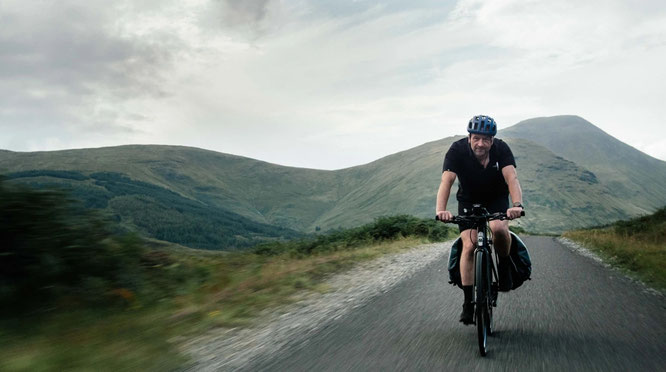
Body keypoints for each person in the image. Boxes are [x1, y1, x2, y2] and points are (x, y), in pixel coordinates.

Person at [435, 115, 524, 325]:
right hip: (468, 200)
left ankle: (503, 266)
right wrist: (441, 210)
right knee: (469, 244)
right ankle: (468, 303)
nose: (481, 144)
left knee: (499, 228)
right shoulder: (456, 150)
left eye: (486, 139)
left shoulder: (501, 149)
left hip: (496, 198)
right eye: (476, 138)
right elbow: (446, 181)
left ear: (492, 140)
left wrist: (517, 205)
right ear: (469, 138)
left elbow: (512, 177)